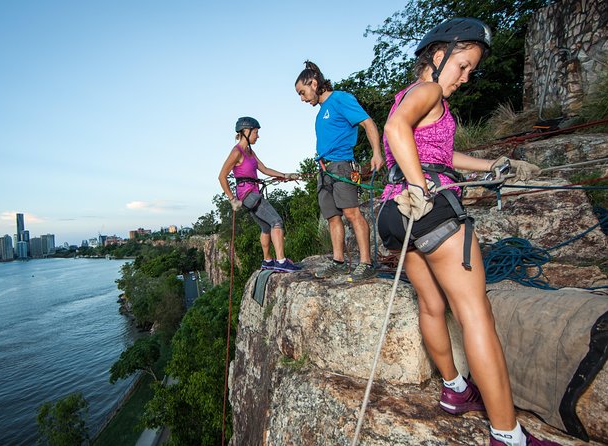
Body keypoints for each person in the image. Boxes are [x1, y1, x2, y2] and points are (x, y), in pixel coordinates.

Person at [376, 18, 556, 446]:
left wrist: (489, 167)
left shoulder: (409, 96)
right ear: (438, 57)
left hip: (392, 213)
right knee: (475, 311)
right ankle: (507, 434)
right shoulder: (429, 90)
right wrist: (421, 186)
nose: (465, 76)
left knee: (432, 303)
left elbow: (439, 151)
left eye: (471, 69)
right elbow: (395, 130)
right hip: (426, 204)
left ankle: (456, 389)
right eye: (462, 65)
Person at [295, 61, 385, 282]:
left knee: (351, 213)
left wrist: (377, 153)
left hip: (342, 166)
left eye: (302, 92)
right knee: (332, 217)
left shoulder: (341, 99)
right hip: (324, 169)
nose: (303, 99)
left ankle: (366, 263)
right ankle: (338, 262)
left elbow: (368, 123)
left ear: (314, 83)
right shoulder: (321, 113)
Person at [219, 116, 301, 273]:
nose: (258, 135)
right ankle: (282, 262)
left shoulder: (250, 151)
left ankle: (267, 261)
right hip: (248, 195)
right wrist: (232, 199)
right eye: (255, 132)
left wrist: (286, 175)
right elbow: (222, 176)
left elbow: (264, 169)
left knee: (265, 227)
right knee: (276, 221)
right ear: (246, 132)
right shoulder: (237, 152)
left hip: (252, 194)